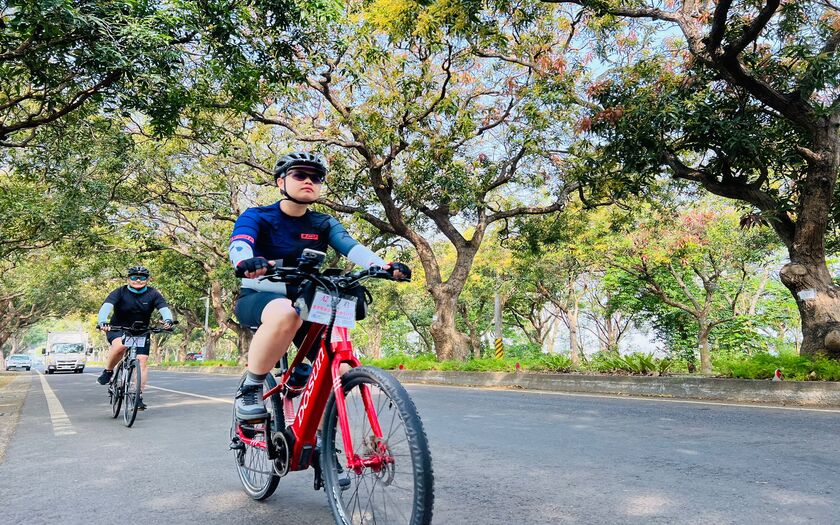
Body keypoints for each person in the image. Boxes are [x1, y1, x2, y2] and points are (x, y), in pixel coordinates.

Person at [229, 151, 410, 421]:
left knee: (336, 370)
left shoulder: (323, 223)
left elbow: (351, 247)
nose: (308, 181)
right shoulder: (257, 216)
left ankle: (326, 442)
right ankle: (252, 387)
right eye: (299, 175)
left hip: (308, 301)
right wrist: (245, 261)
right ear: (281, 182)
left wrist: (382, 266)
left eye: (316, 178)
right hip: (261, 296)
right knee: (285, 313)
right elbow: (240, 243)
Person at [95, 266, 174, 410]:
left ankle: (138, 397)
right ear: (128, 279)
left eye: (142, 277)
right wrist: (102, 322)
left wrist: (168, 320)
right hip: (118, 328)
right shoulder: (120, 292)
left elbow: (164, 308)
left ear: (147, 280)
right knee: (120, 346)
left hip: (141, 331)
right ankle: (108, 371)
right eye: (134, 277)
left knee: (142, 361)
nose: (138, 280)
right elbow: (106, 307)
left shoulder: (153, 293)